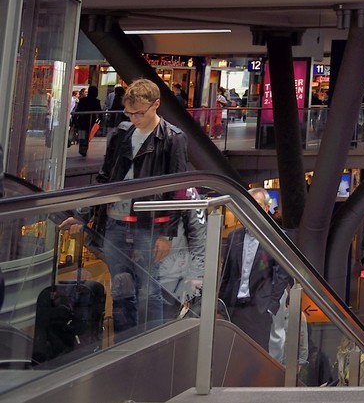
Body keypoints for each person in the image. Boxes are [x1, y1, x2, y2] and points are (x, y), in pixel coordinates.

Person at [66, 78, 203, 331]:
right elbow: (105, 180)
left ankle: (152, 347)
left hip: (150, 228)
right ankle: (124, 346)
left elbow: (178, 189)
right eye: (130, 113)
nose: (135, 117)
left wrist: (167, 235)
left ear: (156, 105)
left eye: (140, 112)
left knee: (149, 290)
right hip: (116, 224)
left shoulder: (173, 138)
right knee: (121, 289)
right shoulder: (121, 134)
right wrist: (84, 215)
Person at [220, 188, 291, 349]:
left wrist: (271, 307)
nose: (252, 208)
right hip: (234, 307)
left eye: (257, 204)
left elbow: (282, 276)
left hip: (259, 308)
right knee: (232, 352)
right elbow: (227, 274)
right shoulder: (234, 236)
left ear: (266, 209)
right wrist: (221, 305)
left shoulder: (276, 238)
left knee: (257, 355)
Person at [71, 86, 102, 157]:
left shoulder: (83, 100)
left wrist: (75, 119)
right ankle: (84, 148)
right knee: (87, 133)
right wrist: (99, 120)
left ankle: (82, 147)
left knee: (82, 132)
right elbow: (99, 111)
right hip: (91, 119)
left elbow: (78, 110)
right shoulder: (96, 101)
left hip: (82, 119)